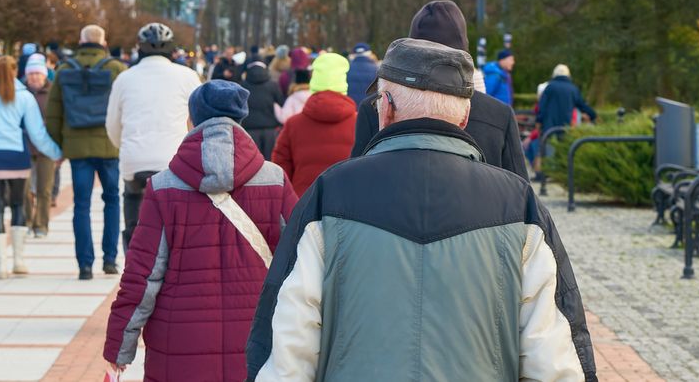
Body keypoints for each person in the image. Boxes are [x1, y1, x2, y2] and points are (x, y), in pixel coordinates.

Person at [247, 38, 596, 381]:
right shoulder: (517, 204)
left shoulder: (330, 193)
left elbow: (287, 353)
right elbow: (552, 361)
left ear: (385, 107)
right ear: (464, 116)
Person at [103, 80, 299, 381]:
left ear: (191, 120)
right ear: (241, 118)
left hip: (178, 345)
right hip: (256, 340)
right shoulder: (274, 180)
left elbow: (142, 276)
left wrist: (120, 345)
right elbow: (299, 262)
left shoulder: (163, 186)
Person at [350, 0, 529, 180]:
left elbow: (356, 177)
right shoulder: (498, 114)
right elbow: (520, 186)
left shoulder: (374, 106)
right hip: (481, 205)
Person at [105, 23, 202, 250]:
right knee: (177, 223)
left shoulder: (124, 78)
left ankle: (133, 259)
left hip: (134, 160)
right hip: (174, 160)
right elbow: (201, 119)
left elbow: (112, 124)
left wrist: (124, 147)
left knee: (134, 214)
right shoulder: (187, 76)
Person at [46, 25, 129, 280]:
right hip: (110, 146)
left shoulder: (64, 70)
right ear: (103, 41)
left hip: (77, 148)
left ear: (81, 41)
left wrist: (60, 146)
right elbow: (126, 109)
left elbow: (53, 113)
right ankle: (110, 260)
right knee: (112, 200)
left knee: (81, 204)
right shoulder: (116, 69)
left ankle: (84, 265)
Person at [0, 56, 61, 279]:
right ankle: (19, 260)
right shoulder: (25, 97)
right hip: (17, 156)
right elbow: (37, 134)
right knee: (19, 205)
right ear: (15, 71)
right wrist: (56, 153)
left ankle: (0, 265)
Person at [272, 52, 357, 196]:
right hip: (348, 207)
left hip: (302, 206)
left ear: (314, 83)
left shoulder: (293, 125)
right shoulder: (359, 124)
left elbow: (280, 172)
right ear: (343, 84)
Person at [22, 54, 56, 237]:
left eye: (38, 73)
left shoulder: (53, 93)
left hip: (47, 147)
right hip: (24, 146)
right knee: (24, 188)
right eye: (31, 74)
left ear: (44, 75)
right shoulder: (20, 93)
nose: (34, 77)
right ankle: (27, 221)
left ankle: (41, 224)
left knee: (44, 188)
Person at [241, 61, 284, 160]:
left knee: (253, 160)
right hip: (270, 129)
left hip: (249, 128)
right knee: (271, 159)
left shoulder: (243, 86)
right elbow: (281, 103)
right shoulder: (273, 85)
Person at [345, 42, 379, 108]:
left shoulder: (347, 68)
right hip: (369, 108)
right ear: (369, 53)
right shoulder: (376, 69)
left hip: (351, 107)